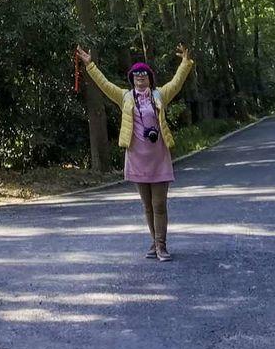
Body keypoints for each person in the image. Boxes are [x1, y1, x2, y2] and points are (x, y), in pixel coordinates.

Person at [74, 43, 194, 260]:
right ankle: (153, 242)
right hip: (137, 158)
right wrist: (89, 64)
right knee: (147, 206)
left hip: (158, 157)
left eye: (144, 74)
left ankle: (161, 245)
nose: (140, 77)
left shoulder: (159, 95)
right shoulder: (125, 97)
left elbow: (176, 83)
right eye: (136, 74)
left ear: (150, 78)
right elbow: (104, 84)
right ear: (132, 79)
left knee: (159, 205)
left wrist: (185, 63)